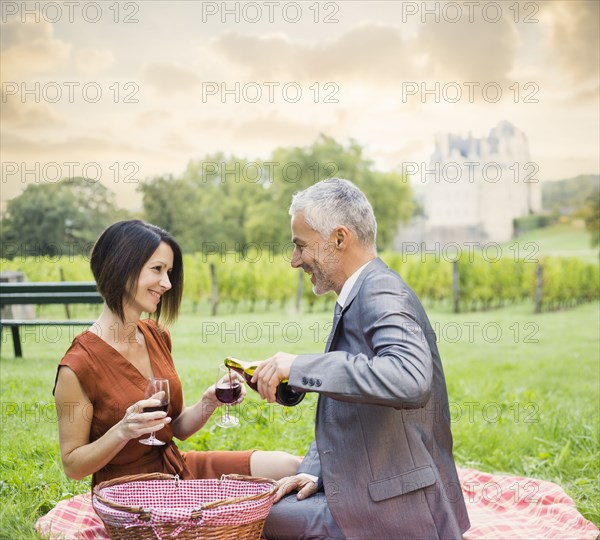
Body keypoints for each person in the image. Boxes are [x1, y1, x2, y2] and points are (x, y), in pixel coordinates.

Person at [254, 179, 470, 539]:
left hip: (396, 513)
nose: (295, 261)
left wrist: (300, 366)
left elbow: (409, 379)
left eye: (300, 246)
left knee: (250, 518)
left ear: (339, 238)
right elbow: (352, 410)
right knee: (266, 506)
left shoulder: (380, 291)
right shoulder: (359, 292)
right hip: (373, 493)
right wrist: (312, 471)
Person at [53, 219, 300, 489]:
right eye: (157, 269)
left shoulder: (157, 335)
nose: (167, 283)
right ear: (121, 267)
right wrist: (123, 430)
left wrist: (209, 401)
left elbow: (177, 428)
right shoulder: (77, 365)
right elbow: (73, 466)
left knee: (290, 466)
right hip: (128, 491)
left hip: (176, 468)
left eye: (169, 271)